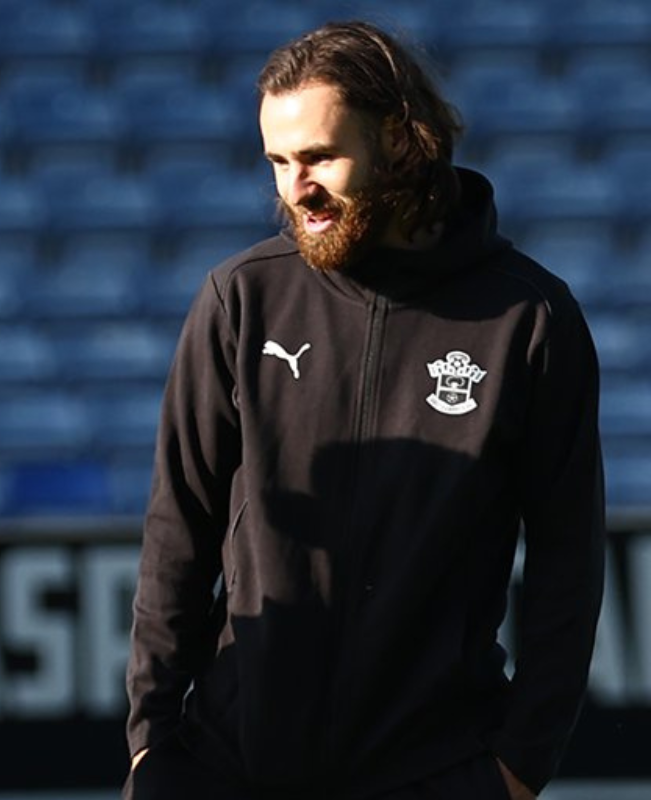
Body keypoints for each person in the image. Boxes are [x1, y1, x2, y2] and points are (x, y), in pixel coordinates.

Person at [125, 21, 605, 800]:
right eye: (278, 161)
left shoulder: (530, 318)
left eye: (319, 157)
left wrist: (519, 767)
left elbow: (568, 563)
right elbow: (178, 532)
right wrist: (150, 745)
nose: (295, 188)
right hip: (231, 766)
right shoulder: (241, 298)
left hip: (435, 771)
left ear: (398, 137)